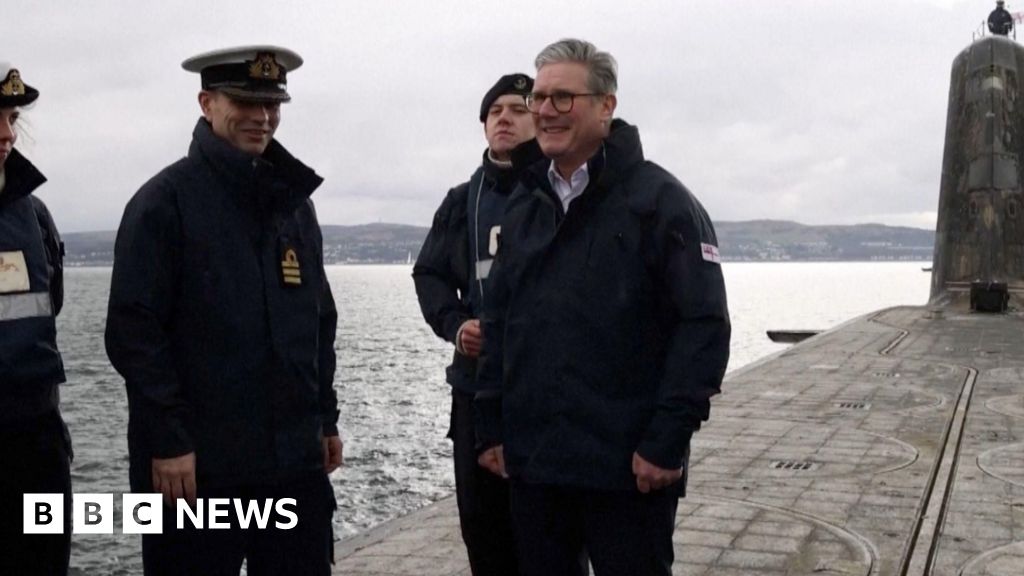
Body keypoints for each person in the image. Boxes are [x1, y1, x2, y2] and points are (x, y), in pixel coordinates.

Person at [474, 39, 731, 576]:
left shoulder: (662, 204)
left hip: (628, 469)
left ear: (606, 105)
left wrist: (667, 442)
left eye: (563, 98)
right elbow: (499, 321)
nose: (544, 111)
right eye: (540, 97)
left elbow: (702, 328)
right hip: (538, 467)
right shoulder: (525, 206)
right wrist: (491, 424)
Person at [105, 46, 342, 576]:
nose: (262, 116)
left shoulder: (293, 205)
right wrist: (168, 442)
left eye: (273, 103)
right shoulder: (163, 203)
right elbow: (133, 334)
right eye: (245, 101)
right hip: (195, 470)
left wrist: (324, 418)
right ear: (207, 102)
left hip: (290, 465)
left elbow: (317, 324)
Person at [413, 72, 540, 575]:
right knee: (483, 533)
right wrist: (455, 324)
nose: (504, 118)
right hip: (474, 390)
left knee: (547, 537)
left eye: (517, 108)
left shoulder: (559, 191)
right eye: (495, 112)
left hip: (542, 393)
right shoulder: (462, 200)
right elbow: (429, 274)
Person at [0, 64, 72, 576]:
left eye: (11, 117)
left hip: (35, 442)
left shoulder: (35, 216)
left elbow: (51, 307)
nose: (7, 134)